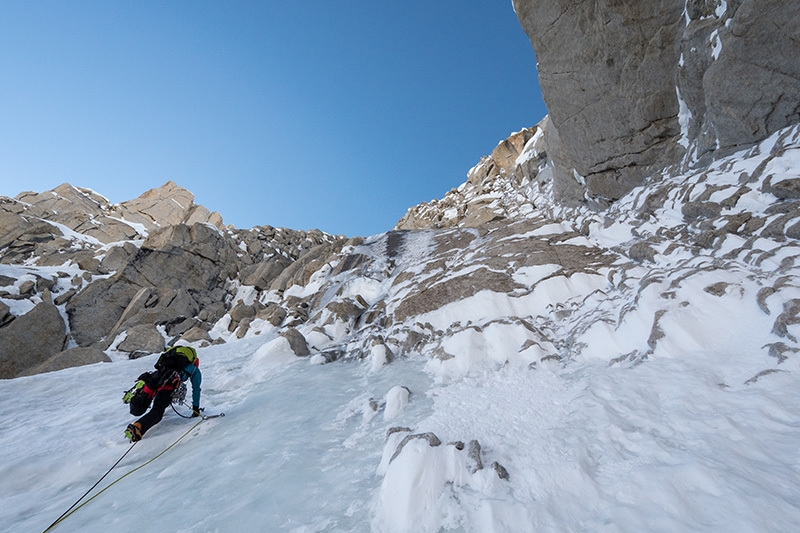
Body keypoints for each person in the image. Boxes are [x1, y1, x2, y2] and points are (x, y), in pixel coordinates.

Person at [125, 346, 202, 442]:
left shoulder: (170, 360)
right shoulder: (194, 369)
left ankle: (139, 392)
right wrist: (196, 409)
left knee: (138, 410)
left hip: (156, 377)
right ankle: (137, 427)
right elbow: (196, 389)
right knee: (158, 412)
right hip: (168, 383)